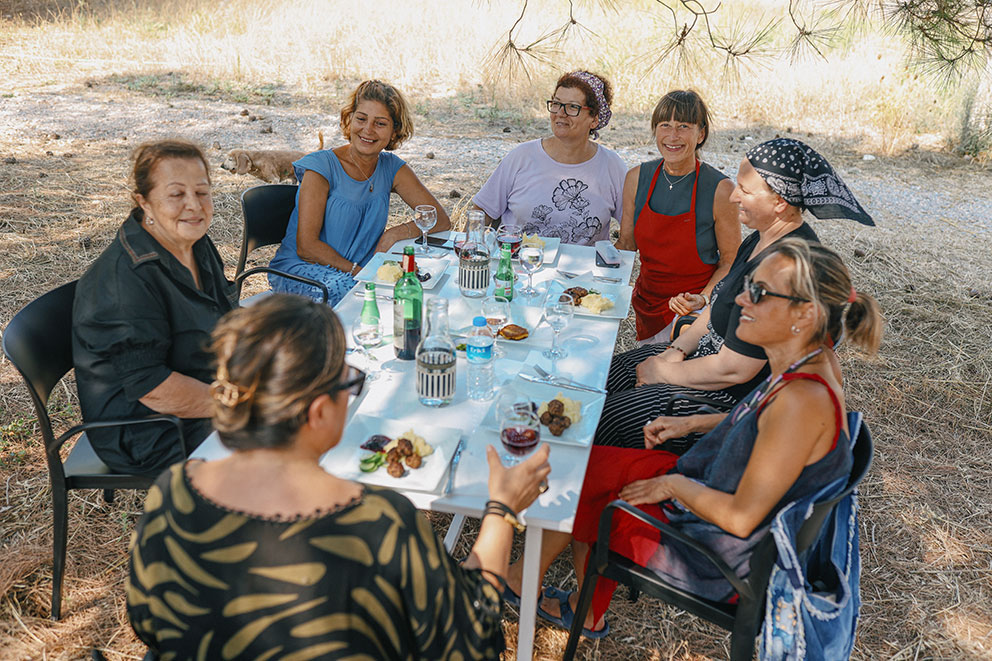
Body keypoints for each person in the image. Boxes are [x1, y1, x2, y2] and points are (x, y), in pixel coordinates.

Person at [126, 294, 552, 659]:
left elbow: (148, 621)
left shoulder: (173, 491)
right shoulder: (378, 523)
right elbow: (469, 637)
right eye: (350, 383)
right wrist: (502, 510)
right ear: (318, 411)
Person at [503, 239, 883, 637]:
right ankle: (537, 585)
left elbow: (740, 518)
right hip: (715, 488)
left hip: (717, 552)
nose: (740, 299)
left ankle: (558, 599)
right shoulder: (811, 362)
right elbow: (766, 428)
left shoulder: (802, 402)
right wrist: (690, 425)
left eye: (758, 292)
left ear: (804, 314)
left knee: (580, 482)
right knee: (583, 462)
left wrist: (672, 484)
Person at [595, 138, 874, 452]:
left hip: (729, 398)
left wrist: (666, 372)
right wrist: (676, 348)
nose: (734, 195)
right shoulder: (760, 238)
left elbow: (737, 369)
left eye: (746, 190)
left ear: (780, 202)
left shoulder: (785, 269)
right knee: (599, 377)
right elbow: (716, 306)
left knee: (604, 417)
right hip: (704, 361)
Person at [72, 140, 234, 476]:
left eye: (202, 192)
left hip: (199, 385)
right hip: (147, 428)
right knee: (281, 440)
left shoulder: (195, 243)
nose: (194, 205)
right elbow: (153, 388)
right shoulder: (125, 279)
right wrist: (244, 404)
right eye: (177, 194)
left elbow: (224, 313)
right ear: (143, 201)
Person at [268, 80, 451, 305]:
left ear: (394, 131)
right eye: (361, 119)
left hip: (358, 275)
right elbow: (307, 247)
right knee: (368, 301)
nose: (368, 130)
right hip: (301, 272)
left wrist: (393, 234)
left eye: (380, 123)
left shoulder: (392, 168)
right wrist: (360, 272)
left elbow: (439, 219)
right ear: (349, 119)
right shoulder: (321, 167)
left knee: (422, 292)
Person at [615, 90, 741, 342]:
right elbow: (627, 245)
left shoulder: (720, 189)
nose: (673, 136)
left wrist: (703, 298)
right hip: (647, 304)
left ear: (700, 134)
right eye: (665, 125)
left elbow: (731, 261)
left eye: (683, 126)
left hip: (693, 311)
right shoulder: (636, 178)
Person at [472, 71, 627, 245]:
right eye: (556, 103)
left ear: (595, 119)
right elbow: (481, 214)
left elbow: (633, 230)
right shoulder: (522, 157)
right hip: (518, 267)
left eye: (572, 107)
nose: (560, 113)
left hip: (582, 272)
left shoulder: (612, 166)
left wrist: (610, 264)